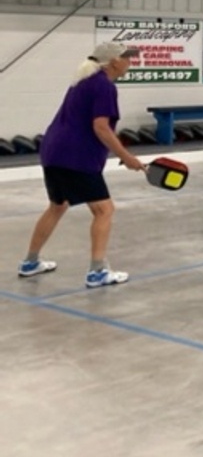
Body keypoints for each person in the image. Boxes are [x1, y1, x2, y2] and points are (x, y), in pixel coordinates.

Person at [18, 42, 146, 288]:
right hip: (75, 156)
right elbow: (101, 127)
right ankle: (98, 272)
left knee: (58, 205)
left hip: (54, 151)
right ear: (113, 62)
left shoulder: (84, 81)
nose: (130, 61)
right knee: (104, 210)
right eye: (126, 57)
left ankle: (30, 262)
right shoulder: (103, 85)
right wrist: (126, 156)